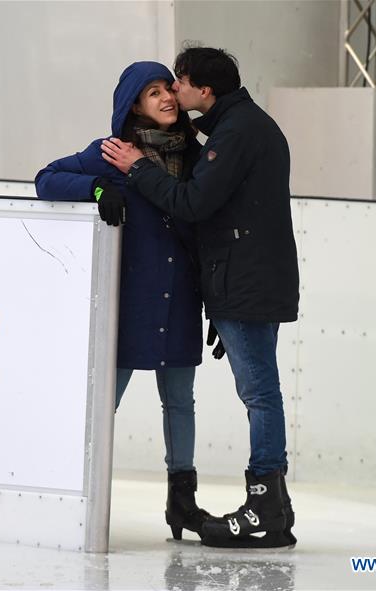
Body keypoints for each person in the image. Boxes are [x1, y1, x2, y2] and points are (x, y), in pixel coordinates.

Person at [101, 47, 299, 549]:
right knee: (257, 393)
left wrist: (138, 171)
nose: (173, 93)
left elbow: (191, 204)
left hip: (245, 284)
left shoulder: (233, 134)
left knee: (258, 395)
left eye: (179, 83)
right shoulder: (240, 128)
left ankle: (265, 507)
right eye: (160, 89)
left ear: (203, 91)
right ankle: (271, 505)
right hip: (237, 283)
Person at [35, 61, 211, 541]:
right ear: (134, 104)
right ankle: (76, 491)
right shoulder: (112, 153)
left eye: (168, 89)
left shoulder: (197, 157)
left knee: (180, 401)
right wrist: (98, 187)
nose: (166, 99)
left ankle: (183, 503)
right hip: (128, 303)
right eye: (153, 93)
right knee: (104, 401)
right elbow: (46, 178)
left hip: (180, 298)